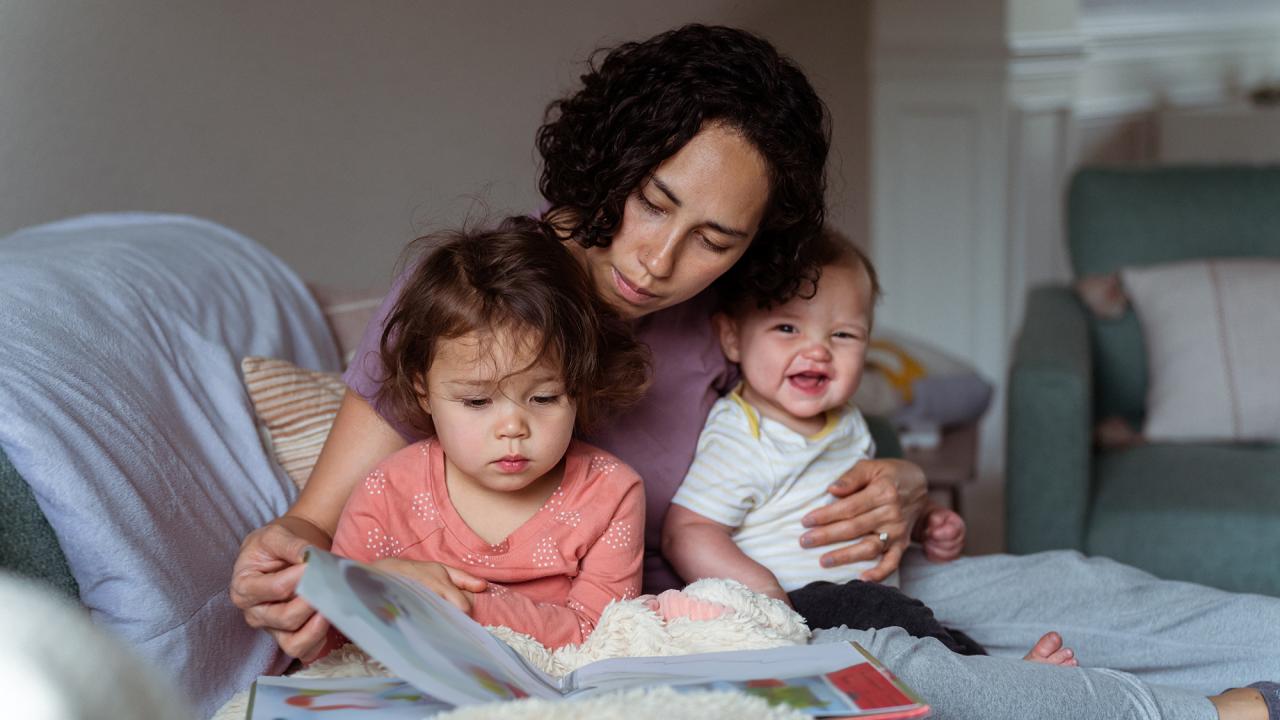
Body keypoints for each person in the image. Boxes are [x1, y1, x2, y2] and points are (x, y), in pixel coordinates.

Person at [231, 24, 1280, 720]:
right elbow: (316, 527)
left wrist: (902, 486)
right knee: (923, 672)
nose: (657, 260)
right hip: (692, 624)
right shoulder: (473, 296)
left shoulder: (723, 319)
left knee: (1072, 588)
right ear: (610, 156)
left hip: (812, 576)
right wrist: (292, 566)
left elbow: (798, 442)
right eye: (652, 201)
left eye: (714, 238)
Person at [662, 230, 1072, 664]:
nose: (817, 350)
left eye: (842, 335)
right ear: (731, 337)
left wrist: (927, 520)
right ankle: (993, 684)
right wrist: (765, 594)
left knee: (931, 629)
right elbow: (687, 532)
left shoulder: (847, 421)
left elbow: (871, 504)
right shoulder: (744, 433)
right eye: (787, 327)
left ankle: (995, 678)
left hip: (865, 599)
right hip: (799, 605)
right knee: (896, 616)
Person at [327, 219, 650, 651]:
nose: (513, 427)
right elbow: (329, 636)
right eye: (478, 403)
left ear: (580, 385)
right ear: (424, 392)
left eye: (544, 398)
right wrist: (378, 588)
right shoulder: (389, 491)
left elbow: (609, 638)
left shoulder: (610, 494)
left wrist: (458, 605)